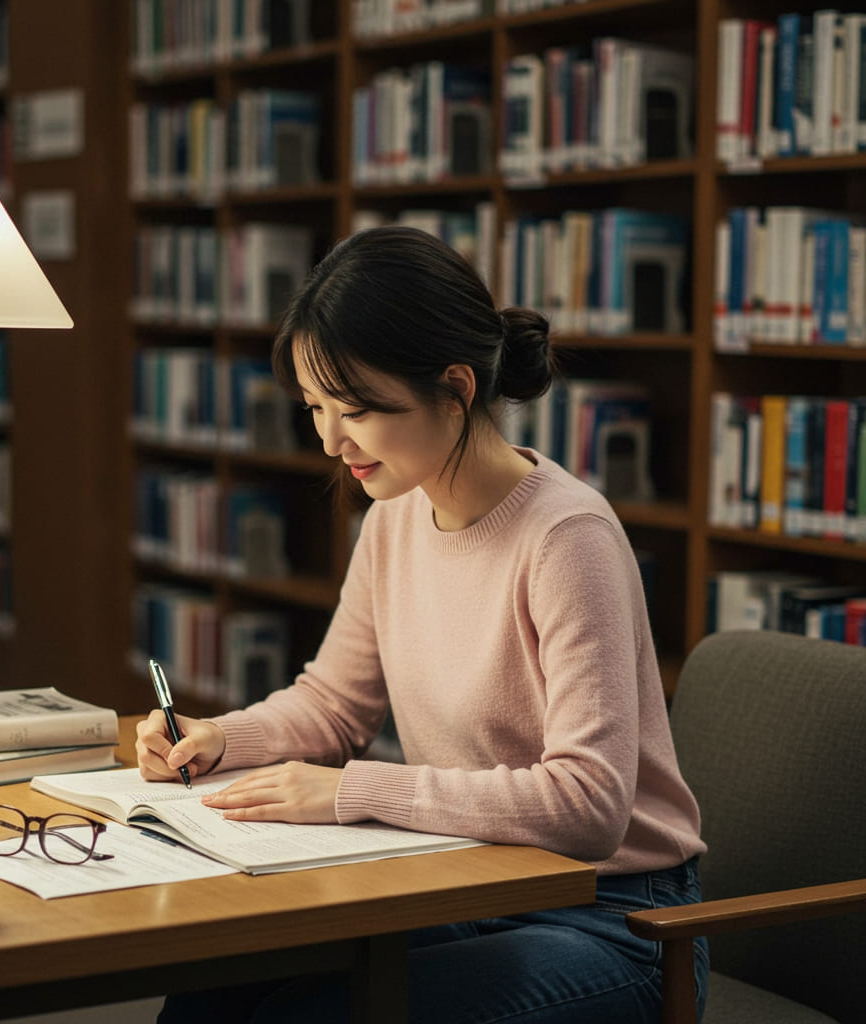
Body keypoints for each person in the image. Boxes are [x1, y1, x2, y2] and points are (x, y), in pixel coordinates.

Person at [136, 225, 709, 1023]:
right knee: (214, 990)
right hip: (460, 882)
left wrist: (352, 791)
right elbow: (335, 704)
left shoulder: (566, 538)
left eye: (358, 411)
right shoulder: (398, 516)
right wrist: (224, 738)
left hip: (611, 918)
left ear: (457, 388)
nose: (333, 441)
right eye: (315, 409)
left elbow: (589, 805)